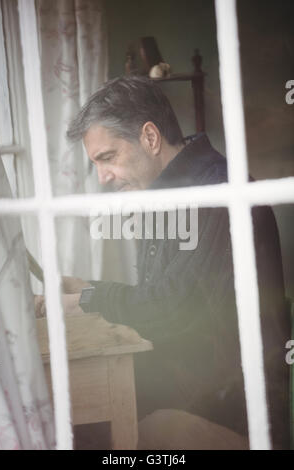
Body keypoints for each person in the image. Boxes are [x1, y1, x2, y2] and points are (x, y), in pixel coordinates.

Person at [37, 76, 290, 448]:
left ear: (150, 138)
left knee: (91, 431)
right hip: (192, 391)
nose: (104, 177)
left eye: (108, 158)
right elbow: (163, 295)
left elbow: (172, 309)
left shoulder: (216, 196)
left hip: (238, 418)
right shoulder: (163, 196)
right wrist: (87, 289)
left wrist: (81, 302)